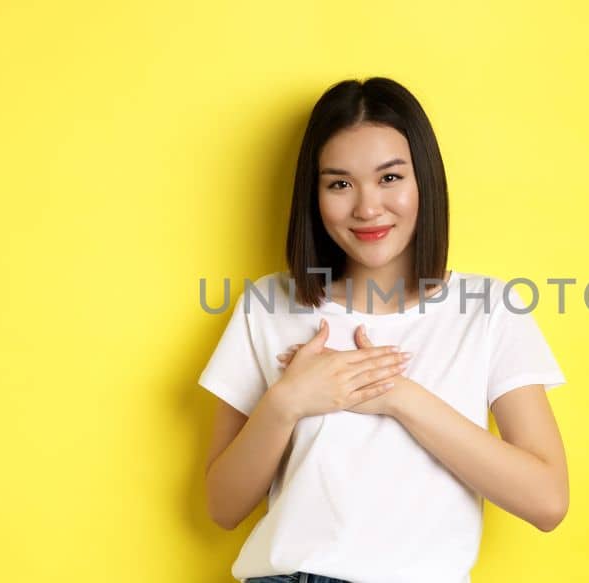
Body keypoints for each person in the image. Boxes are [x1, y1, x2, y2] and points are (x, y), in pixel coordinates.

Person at [198, 77, 569, 583]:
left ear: (424, 183)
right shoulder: (268, 305)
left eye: (390, 178)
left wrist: (397, 396)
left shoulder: (489, 308)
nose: (367, 208)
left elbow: (547, 501)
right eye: (340, 183)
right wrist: (288, 402)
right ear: (316, 195)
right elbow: (222, 506)